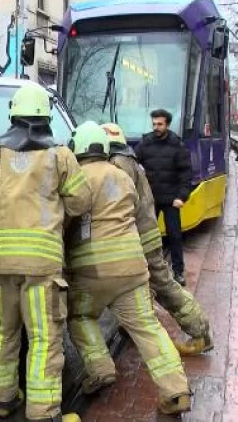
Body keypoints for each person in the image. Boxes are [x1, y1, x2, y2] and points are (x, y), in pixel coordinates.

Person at [0, 83, 91, 422]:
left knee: (3, 332)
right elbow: (82, 200)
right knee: (43, 338)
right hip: (41, 265)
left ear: (12, 112)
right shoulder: (59, 154)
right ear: (46, 115)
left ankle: (4, 399)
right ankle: (42, 412)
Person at [65, 121, 192, 416]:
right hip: (133, 271)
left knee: (79, 315)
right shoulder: (123, 176)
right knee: (147, 327)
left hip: (91, 272)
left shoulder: (75, 178)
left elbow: (67, 220)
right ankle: (175, 391)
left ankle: (99, 368)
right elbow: (138, 214)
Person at [103, 123, 212, 355]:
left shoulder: (117, 165)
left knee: (162, 285)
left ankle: (200, 331)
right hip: (148, 234)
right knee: (151, 284)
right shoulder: (131, 161)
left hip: (140, 238)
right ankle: (132, 328)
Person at [134, 109, 192, 285]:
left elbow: (186, 173)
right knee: (145, 235)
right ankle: (141, 269)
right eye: (154, 124)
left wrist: (182, 197)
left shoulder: (177, 145)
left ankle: (178, 272)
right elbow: (134, 162)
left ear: (167, 124)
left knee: (175, 237)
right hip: (151, 200)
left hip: (171, 201)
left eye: (159, 124)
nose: (156, 127)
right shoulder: (146, 143)